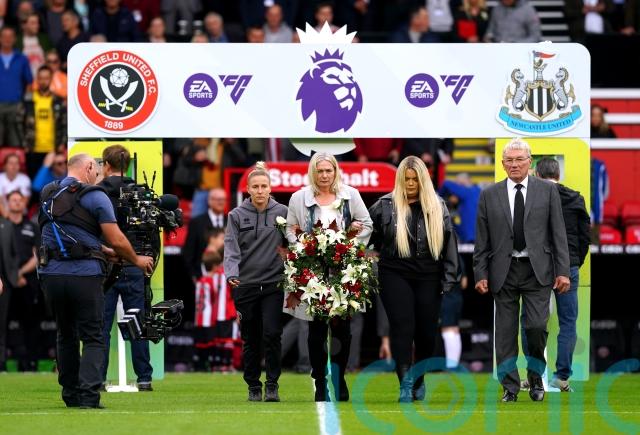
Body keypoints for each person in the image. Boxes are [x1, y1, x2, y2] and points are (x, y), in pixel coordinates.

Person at [38, 153, 154, 408]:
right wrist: (136, 259)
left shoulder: (48, 193)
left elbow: (63, 234)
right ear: (89, 167)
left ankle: (70, 395)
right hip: (85, 276)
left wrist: (102, 250)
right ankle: (89, 396)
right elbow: (117, 238)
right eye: (96, 171)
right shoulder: (95, 196)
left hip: (51, 273)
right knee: (93, 336)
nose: (97, 177)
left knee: (65, 334)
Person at [473, 139, 570, 403]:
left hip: (538, 270)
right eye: (510, 160)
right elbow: (482, 240)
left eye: (519, 159)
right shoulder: (489, 194)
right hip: (502, 271)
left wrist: (563, 271)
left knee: (536, 327)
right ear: (502, 164)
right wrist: (480, 273)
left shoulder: (547, 191)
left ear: (530, 162)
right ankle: (510, 387)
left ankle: (536, 377)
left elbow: (558, 234)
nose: (514, 164)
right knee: (504, 334)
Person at [369, 155, 459, 402]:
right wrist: (369, 263)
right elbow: (366, 240)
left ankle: (419, 379)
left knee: (427, 332)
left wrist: (450, 278)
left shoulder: (438, 206)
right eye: (406, 179)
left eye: (415, 179)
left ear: (423, 180)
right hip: (393, 273)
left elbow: (449, 244)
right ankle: (405, 384)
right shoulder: (383, 205)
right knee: (402, 326)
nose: (410, 184)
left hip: (430, 274)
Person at [285, 152, 372, 402]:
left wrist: (348, 244)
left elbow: (367, 224)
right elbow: (290, 229)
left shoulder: (351, 194)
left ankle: (339, 377)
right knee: (316, 329)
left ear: (335, 171)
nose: (324, 175)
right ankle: (320, 381)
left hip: (343, 270)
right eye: (320, 171)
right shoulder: (299, 197)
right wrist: (304, 245)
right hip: (312, 269)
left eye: (328, 170)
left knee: (343, 330)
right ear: (313, 172)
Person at [520, 157, 590, 392]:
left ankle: (533, 374)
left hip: (538, 266)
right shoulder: (576, 198)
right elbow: (585, 236)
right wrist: (574, 262)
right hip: (568, 266)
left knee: (530, 320)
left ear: (537, 175)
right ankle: (561, 376)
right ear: (558, 175)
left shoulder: (532, 197)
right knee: (568, 322)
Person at [224, 161, 288, 402]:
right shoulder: (235, 215)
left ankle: (272, 385)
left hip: (274, 284)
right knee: (250, 339)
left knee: (272, 334)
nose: (260, 191)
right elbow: (231, 248)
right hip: (245, 285)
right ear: (248, 189)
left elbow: (293, 243)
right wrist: (231, 274)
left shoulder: (283, 212)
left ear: (270, 188)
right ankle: (253, 385)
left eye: (264, 186)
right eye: (255, 187)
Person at [97, 144, 154, 391]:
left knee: (101, 326)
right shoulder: (142, 193)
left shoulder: (95, 193)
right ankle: (144, 378)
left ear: (106, 165)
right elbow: (152, 232)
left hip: (104, 265)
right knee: (137, 322)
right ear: (127, 165)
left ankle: (97, 379)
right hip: (134, 264)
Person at [1, 190, 41, 371]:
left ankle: (29, 362)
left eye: (20, 200)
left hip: (27, 280)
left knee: (30, 322)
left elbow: (37, 254)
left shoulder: (32, 227)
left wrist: (20, 273)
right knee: (3, 322)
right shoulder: (3, 226)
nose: (17, 203)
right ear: (7, 203)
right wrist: (11, 276)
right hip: (5, 282)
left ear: (24, 203)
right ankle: (3, 361)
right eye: (13, 200)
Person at [184, 188, 227, 282]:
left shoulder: (231, 221)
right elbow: (189, 252)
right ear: (209, 201)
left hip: (226, 279)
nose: (221, 202)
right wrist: (194, 276)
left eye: (224, 199)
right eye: (218, 199)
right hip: (202, 276)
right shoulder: (196, 222)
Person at [0, 26, 33, 148]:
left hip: (16, 105)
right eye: (4, 36)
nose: (7, 39)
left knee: (15, 143)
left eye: (10, 36)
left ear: (15, 39)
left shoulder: (22, 59)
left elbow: (29, 82)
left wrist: (24, 103)